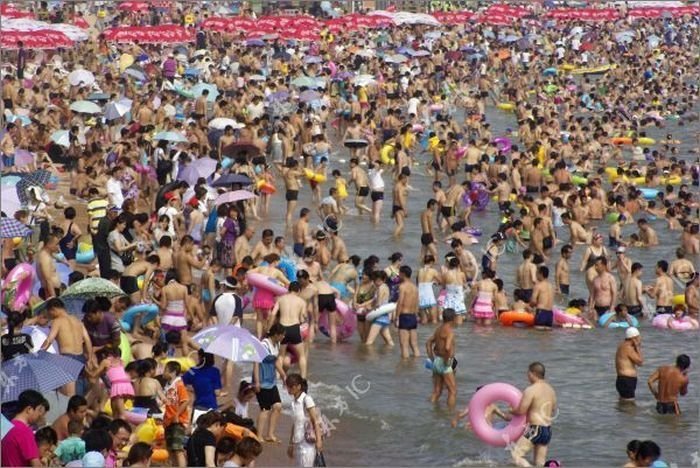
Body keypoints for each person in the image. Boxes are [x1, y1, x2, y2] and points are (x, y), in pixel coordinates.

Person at [510, 362, 557, 467]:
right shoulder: (551, 390)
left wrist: (511, 411)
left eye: (528, 373)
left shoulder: (531, 390)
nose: (527, 376)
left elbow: (521, 411)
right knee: (540, 463)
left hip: (535, 429)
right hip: (547, 430)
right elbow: (553, 410)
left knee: (516, 455)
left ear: (533, 373)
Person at [253, 323, 287, 443]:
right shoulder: (264, 345)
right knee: (265, 409)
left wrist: (283, 375)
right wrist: (257, 381)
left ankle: (270, 434)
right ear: (276, 334)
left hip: (271, 381)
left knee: (277, 406)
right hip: (262, 381)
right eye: (282, 335)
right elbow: (256, 362)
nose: (283, 337)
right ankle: (259, 435)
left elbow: (275, 361)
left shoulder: (276, 344)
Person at [1, 390, 50, 467]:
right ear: (29, 409)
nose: (40, 414)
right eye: (39, 410)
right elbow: (36, 465)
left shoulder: (7, 426)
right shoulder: (24, 431)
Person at [286, 373, 323, 468]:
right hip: (298, 442)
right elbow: (294, 424)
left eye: (291, 387)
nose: (289, 389)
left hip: (307, 443)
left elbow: (315, 421)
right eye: (288, 386)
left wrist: (319, 441)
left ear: (298, 386)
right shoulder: (293, 403)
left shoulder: (307, 399)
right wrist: (291, 444)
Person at [426, 308, 457, 408]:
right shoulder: (449, 331)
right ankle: (450, 413)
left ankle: (430, 408)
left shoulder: (438, 329)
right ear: (453, 319)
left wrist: (431, 358)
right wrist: (448, 360)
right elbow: (448, 347)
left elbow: (428, 343)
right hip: (444, 362)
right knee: (452, 391)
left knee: (437, 391)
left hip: (437, 361)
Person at [163, 361, 189, 468]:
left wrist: (176, 415)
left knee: (177, 449)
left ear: (173, 372)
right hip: (168, 421)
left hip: (177, 422)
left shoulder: (179, 385)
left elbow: (186, 400)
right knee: (171, 450)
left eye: (165, 370)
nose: (163, 372)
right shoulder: (168, 386)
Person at [183, 351, 222, 422]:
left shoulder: (193, 371)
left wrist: (193, 389)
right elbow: (217, 392)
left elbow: (181, 383)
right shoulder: (215, 371)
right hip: (212, 407)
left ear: (201, 357)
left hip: (198, 406)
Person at [395, 265, 420, 358]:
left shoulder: (402, 287)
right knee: (414, 345)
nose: (398, 275)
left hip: (404, 316)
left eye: (399, 273)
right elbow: (417, 302)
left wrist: (397, 317)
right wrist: (417, 315)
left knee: (404, 346)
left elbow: (400, 303)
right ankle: (415, 364)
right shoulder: (414, 287)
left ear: (402, 274)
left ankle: (405, 366)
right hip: (413, 316)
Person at [615, 327, 644, 401]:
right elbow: (640, 362)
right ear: (634, 338)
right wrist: (637, 347)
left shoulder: (621, 346)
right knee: (630, 407)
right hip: (627, 380)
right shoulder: (628, 348)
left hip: (622, 379)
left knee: (623, 404)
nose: (640, 339)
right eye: (639, 337)